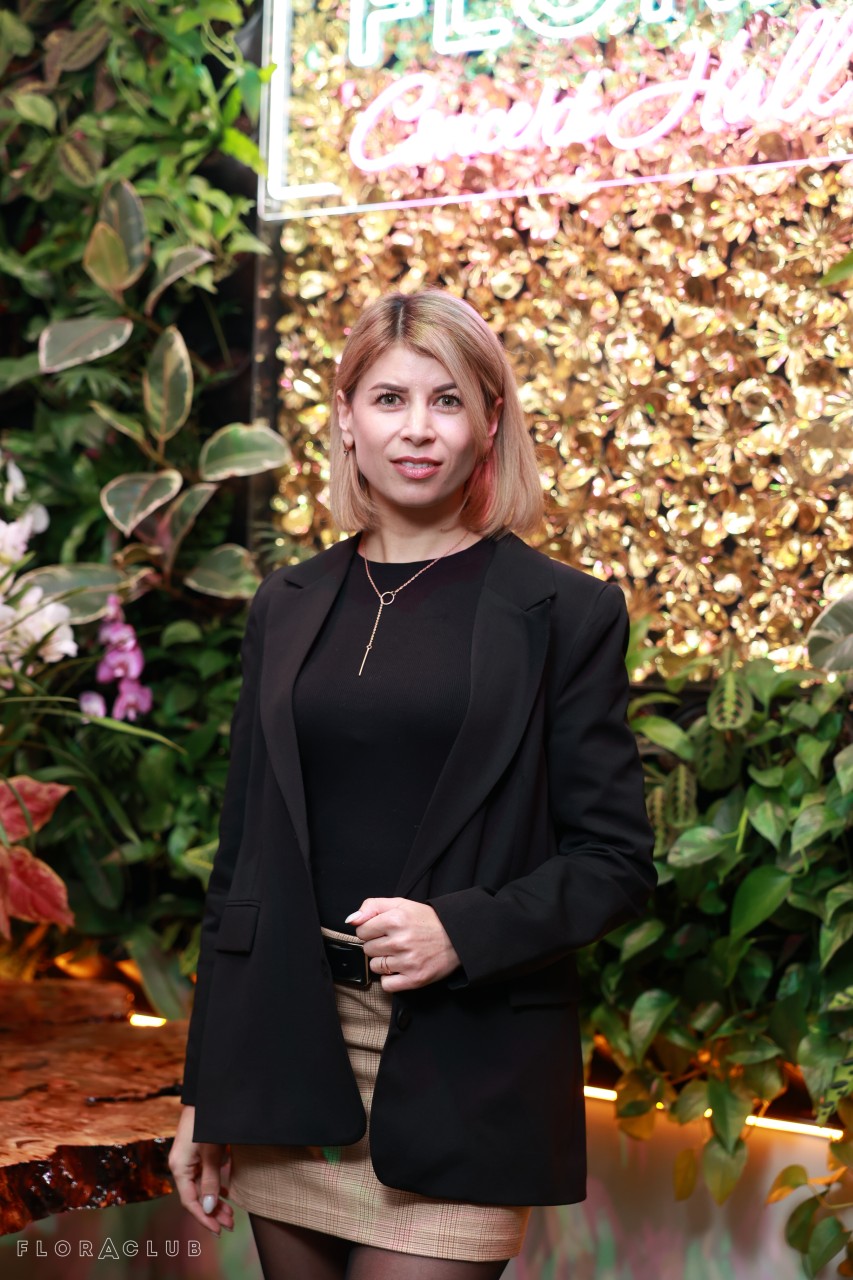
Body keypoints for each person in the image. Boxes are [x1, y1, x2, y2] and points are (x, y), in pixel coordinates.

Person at [169, 288, 657, 1279]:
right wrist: (205, 1092)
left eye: (447, 400)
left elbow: (614, 863)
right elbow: (242, 864)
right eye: (389, 399)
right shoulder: (286, 602)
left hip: (463, 1065)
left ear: (489, 423)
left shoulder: (566, 611)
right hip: (287, 1054)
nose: (418, 429)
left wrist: (461, 931)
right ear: (347, 419)